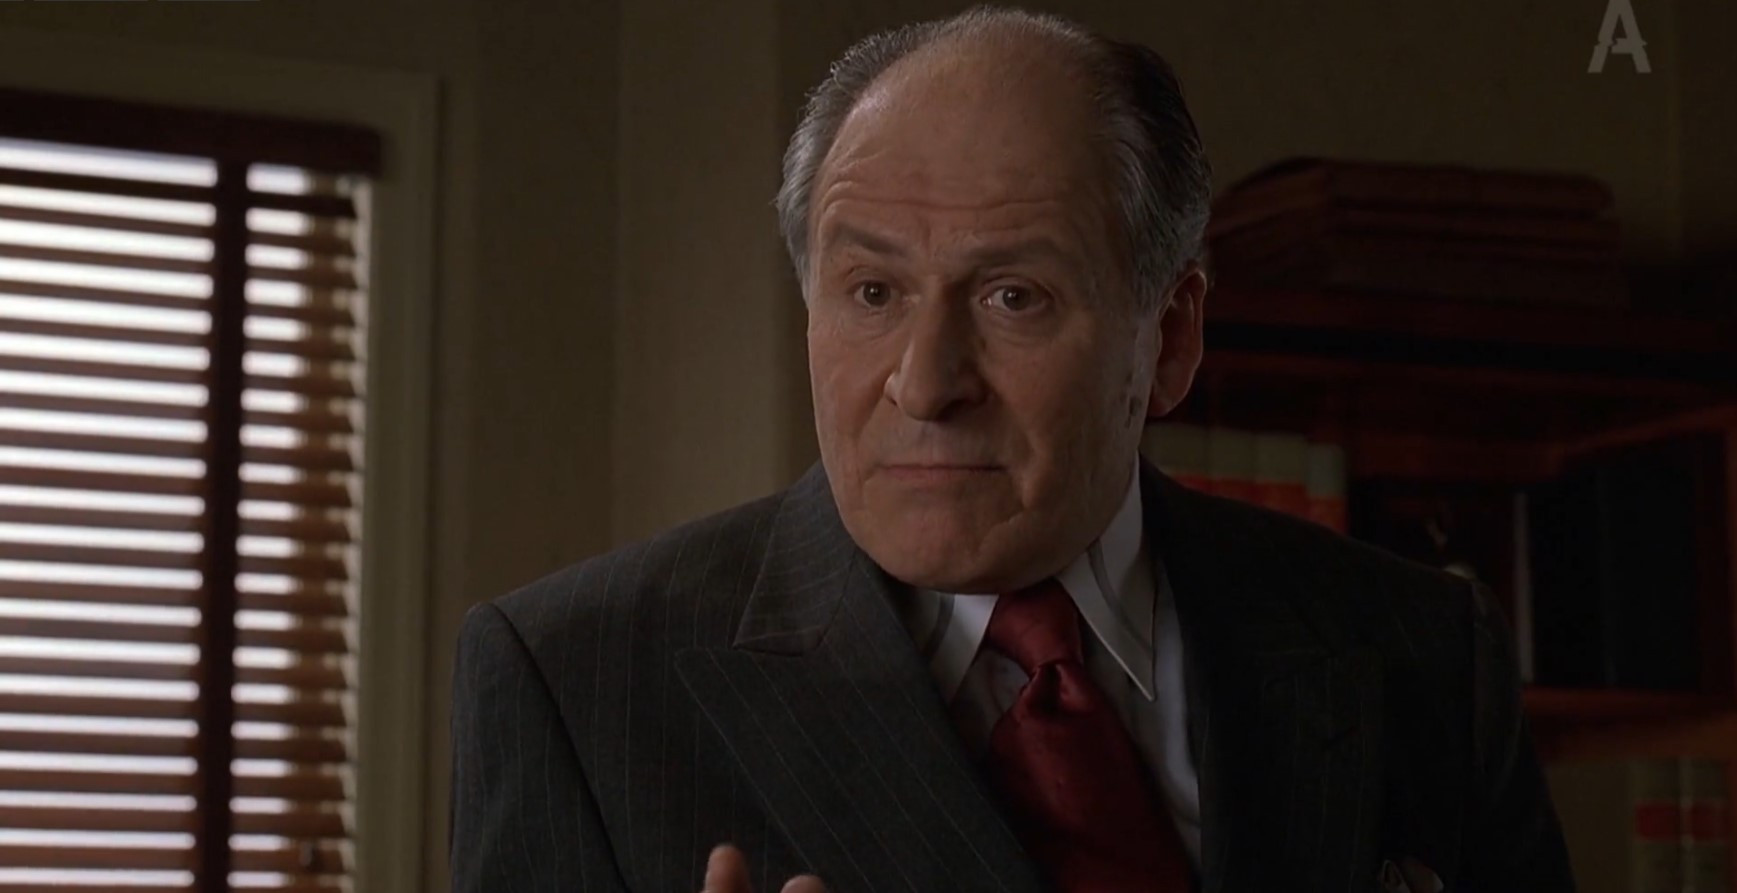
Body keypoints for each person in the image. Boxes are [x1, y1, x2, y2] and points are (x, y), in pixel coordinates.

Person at [450, 8, 1573, 892]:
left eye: (1012, 296)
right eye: (872, 292)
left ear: (1171, 337)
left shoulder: (1425, 653)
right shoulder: (574, 681)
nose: (925, 382)